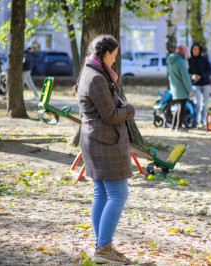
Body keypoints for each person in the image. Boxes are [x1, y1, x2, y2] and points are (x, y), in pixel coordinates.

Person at [73, 35, 134, 265]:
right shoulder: (97, 78)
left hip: (96, 141)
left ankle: (102, 246)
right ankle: (103, 247)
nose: (115, 60)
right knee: (118, 194)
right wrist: (129, 110)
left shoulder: (90, 72)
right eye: (114, 56)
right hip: (104, 143)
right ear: (106, 54)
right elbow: (109, 115)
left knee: (102, 193)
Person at [167, 44, 194, 131]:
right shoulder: (181, 61)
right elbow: (185, 77)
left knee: (178, 107)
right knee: (181, 108)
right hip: (182, 88)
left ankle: (173, 125)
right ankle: (178, 126)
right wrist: (189, 90)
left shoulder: (171, 61)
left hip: (174, 88)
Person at [188, 42, 211, 127]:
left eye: (197, 49)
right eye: (194, 49)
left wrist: (201, 76)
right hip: (195, 84)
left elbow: (209, 70)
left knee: (205, 103)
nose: (196, 51)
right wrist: (192, 76)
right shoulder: (189, 60)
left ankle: (202, 120)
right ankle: (195, 120)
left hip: (205, 83)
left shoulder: (204, 59)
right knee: (197, 102)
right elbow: (188, 72)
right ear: (192, 50)